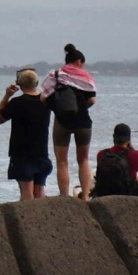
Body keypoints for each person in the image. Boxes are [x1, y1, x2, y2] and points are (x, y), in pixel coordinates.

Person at [41, 44, 97, 198]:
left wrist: (56, 108)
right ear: (79, 61)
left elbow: (43, 97)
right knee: (83, 160)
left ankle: (64, 197)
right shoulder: (86, 76)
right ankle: (85, 197)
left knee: (62, 162)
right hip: (83, 121)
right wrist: (81, 108)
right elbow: (92, 100)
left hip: (62, 121)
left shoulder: (55, 75)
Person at [0, 69, 51, 200]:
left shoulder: (16, 103)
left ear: (19, 84)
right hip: (42, 153)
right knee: (39, 191)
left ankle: (28, 214)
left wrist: (7, 96)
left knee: (26, 193)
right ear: (36, 83)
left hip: (22, 154)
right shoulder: (45, 102)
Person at [93, 123, 138, 199]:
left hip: (103, 193)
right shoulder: (134, 154)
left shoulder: (102, 154)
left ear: (113, 137)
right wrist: (132, 148)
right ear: (129, 139)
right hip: (127, 193)